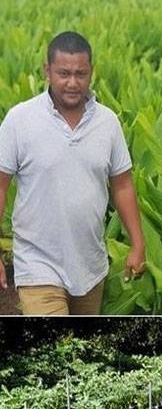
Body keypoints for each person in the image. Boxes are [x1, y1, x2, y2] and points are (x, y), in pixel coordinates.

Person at [0, 31, 145, 315]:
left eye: (81, 74)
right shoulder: (20, 120)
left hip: (90, 266)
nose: (72, 82)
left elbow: (123, 185)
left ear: (91, 72)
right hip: (37, 264)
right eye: (63, 73)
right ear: (47, 71)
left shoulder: (108, 122)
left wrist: (138, 244)